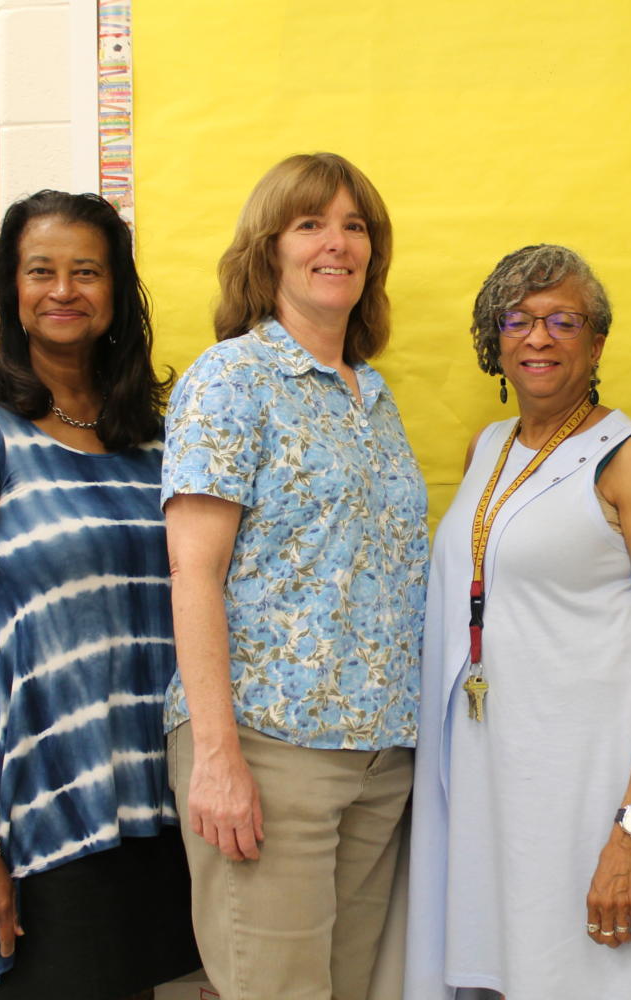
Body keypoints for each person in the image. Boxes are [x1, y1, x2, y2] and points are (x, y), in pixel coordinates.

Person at [404, 245, 631, 999]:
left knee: (601, 975)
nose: (539, 336)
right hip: (503, 780)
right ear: (493, 342)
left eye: (564, 320)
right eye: (519, 320)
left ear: (596, 343)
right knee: (519, 967)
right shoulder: (487, 449)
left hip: (598, 781)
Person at [0, 190, 200, 998]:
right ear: (13, 289)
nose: (64, 290)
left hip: (174, 811)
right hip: (52, 821)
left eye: (86, 271)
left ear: (116, 294)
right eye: (42, 271)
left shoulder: (158, 439)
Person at [162, 152, 428, 1000]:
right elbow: (192, 573)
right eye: (311, 223)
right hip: (269, 752)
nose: (337, 242)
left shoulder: (372, 398)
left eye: (356, 226)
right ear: (267, 249)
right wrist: (217, 758)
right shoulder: (231, 380)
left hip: (379, 758)